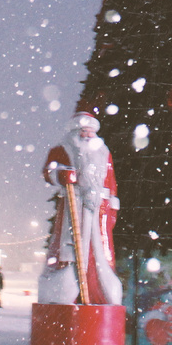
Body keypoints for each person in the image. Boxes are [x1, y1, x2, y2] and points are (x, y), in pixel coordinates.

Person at [37, 111, 123, 306]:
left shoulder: (104, 152)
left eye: (91, 131)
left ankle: (99, 291)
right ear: (76, 131)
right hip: (74, 204)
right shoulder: (63, 149)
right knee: (70, 248)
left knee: (101, 250)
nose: (88, 135)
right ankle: (67, 292)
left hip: (99, 208)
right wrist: (61, 175)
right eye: (84, 130)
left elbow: (111, 181)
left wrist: (112, 206)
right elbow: (49, 171)